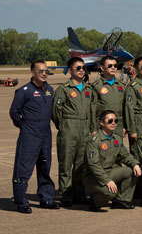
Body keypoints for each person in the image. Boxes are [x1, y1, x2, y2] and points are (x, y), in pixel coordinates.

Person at [9, 60, 59, 213]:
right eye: (41, 71)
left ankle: (47, 198)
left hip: (45, 135)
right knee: (23, 169)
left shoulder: (50, 90)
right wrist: (25, 127)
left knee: (45, 167)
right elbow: (14, 112)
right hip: (29, 136)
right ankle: (21, 201)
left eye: (46, 71)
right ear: (32, 73)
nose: (44, 74)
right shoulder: (24, 91)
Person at [52, 56, 95, 207]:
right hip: (69, 128)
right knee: (66, 164)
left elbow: (92, 110)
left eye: (83, 68)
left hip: (85, 129)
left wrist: (92, 129)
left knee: (80, 165)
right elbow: (56, 111)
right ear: (70, 71)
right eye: (78, 68)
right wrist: (64, 126)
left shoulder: (89, 89)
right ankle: (65, 194)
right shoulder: (63, 89)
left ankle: (79, 193)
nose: (82, 71)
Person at [83, 110, 142, 211]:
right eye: (110, 121)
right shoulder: (94, 140)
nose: (114, 123)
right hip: (93, 176)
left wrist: (135, 164)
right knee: (110, 192)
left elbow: (125, 155)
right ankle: (95, 202)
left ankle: (121, 200)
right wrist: (107, 181)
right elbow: (93, 165)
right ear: (101, 123)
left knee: (131, 171)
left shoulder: (116, 138)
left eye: (115, 121)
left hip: (110, 172)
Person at [91, 55, 126, 137]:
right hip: (102, 126)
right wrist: (93, 129)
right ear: (102, 68)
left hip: (118, 125)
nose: (113, 68)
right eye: (110, 66)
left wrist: (125, 126)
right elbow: (92, 109)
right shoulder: (96, 86)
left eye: (115, 66)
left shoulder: (122, 85)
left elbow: (125, 107)